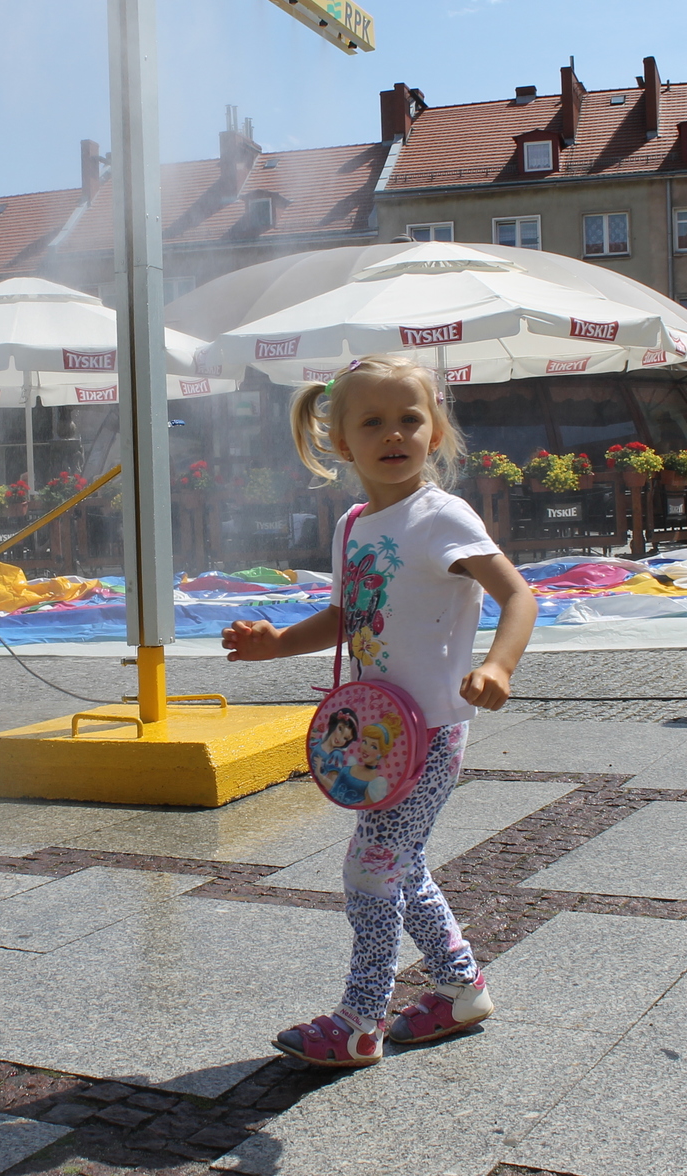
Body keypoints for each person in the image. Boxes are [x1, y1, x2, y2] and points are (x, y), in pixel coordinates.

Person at [221, 354, 539, 1068]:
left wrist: (497, 665)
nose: (393, 434)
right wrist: (276, 645)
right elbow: (347, 614)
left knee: (371, 870)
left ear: (435, 431)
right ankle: (461, 989)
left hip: (430, 730)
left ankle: (361, 1019)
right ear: (341, 441)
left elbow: (520, 595)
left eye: (409, 419)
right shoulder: (355, 524)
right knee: (400, 863)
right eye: (373, 422)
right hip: (376, 732)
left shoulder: (440, 517)